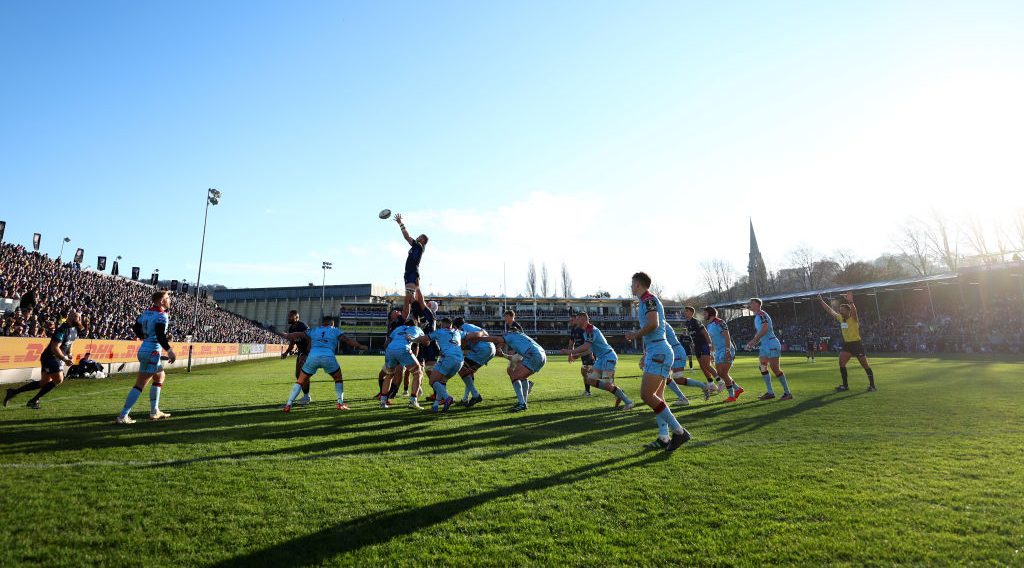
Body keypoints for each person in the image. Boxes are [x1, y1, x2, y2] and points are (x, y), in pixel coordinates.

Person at [624, 272, 691, 452]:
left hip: (659, 351)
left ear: (638, 285)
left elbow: (653, 324)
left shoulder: (649, 300)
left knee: (646, 395)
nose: (630, 287)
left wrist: (635, 335)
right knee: (657, 398)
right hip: (657, 350)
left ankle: (679, 431)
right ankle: (663, 437)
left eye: (632, 284)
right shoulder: (646, 301)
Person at [280, 316, 367, 412]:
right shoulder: (335, 330)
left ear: (323, 323)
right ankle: (340, 403)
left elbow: (299, 334)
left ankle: (288, 405)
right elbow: (347, 340)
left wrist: (287, 335)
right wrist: (360, 346)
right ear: (332, 324)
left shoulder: (315, 330)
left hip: (313, 357)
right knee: (338, 379)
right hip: (328, 357)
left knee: (300, 380)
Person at [551, 312, 634, 409]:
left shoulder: (590, 330)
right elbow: (589, 349)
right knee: (590, 380)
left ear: (584, 320)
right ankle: (617, 391)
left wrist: (570, 351)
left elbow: (586, 346)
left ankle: (628, 402)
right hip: (601, 359)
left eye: (578, 319)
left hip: (609, 358)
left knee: (607, 384)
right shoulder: (586, 331)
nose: (576, 321)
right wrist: (578, 355)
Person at [115, 293, 176, 423]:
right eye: (167, 298)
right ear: (161, 301)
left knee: (160, 376)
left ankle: (155, 411)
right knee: (140, 384)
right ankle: (123, 415)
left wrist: (144, 337)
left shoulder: (146, 313)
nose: (169, 300)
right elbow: (160, 335)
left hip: (145, 348)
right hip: (152, 351)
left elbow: (135, 327)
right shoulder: (161, 315)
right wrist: (169, 350)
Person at [4, 309, 84, 409]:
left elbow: (71, 342)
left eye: (80, 318)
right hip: (50, 357)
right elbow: (54, 347)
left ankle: (14, 392)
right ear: (70, 318)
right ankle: (33, 400)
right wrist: (64, 359)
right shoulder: (62, 329)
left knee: (43, 383)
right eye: (77, 318)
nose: (79, 320)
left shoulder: (74, 329)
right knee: (59, 379)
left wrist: (69, 353)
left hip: (57, 358)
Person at [477, 310, 545, 412]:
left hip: (532, 355)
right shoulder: (520, 334)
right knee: (522, 377)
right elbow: (503, 341)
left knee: (513, 375)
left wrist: (479, 338)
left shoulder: (511, 334)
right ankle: (523, 401)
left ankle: (522, 403)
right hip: (541, 355)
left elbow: (497, 339)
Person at [818, 292, 876, 392]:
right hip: (847, 345)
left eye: (843, 311)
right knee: (841, 363)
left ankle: (872, 386)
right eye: (840, 310)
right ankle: (845, 386)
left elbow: (855, 311)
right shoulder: (841, 318)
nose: (841, 312)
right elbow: (829, 310)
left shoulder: (853, 319)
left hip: (856, 344)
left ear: (848, 311)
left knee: (865, 365)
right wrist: (821, 301)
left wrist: (851, 301)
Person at [744, 298, 793, 401]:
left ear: (758, 304)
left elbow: (765, 328)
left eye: (751, 303)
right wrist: (754, 342)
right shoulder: (758, 316)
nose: (749, 305)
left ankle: (787, 393)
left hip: (771, 343)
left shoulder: (761, 314)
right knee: (762, 366)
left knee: (775, 369)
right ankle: (770, 392)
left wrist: (754, 340)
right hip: (765, 344)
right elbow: (761, 332)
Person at [380, 317, 426, 409]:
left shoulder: (398, 328)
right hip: (403, 349)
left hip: (390, 350)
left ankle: (383, 402)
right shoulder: (417, 328)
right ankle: (413, 400)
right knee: (418, 373)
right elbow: (426, 342)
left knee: (389, 375)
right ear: (415, 323)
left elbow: (386, 344)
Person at [664, 320, 714, 406]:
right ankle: (679, 398)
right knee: (665, 377)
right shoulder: (659, 323)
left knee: (677, 378)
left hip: (676, 351)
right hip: (670, 352)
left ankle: (702, 386)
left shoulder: (659, 323)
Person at [704, 307, 744, 402]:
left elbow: (727, 336)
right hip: (718, 351)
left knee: (723, 373)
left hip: (726, 349)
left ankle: (732, 396)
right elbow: (712, 341)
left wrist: (727, 350)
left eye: (705, 313)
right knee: (720, 374)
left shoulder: (720, 322)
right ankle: (737, 389)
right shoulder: (709, 325)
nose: (703, 315)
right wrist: (712, 353)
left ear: (711, 314)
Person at [425, 317, 465, 412]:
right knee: (442, 382)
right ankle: (435, 405)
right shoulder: (458, 331)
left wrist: (412, 339)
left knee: (433, 381)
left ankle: (447, 398)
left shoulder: (440, 331)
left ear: (442, 324)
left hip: (448, 358)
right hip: (460, 361)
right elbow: (471, 336)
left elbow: (424, 338)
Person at [395, 213, 428, 321]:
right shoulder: (417, 247)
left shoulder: (419, 246)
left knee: (409, 297)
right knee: (407, 299)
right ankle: (407, 319)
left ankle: (421, 316)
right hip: (409, 272)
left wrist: (400, 223)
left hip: (412, 272)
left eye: (420, 236)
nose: (418, 236)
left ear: (423, 240)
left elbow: (406, 237)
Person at [453, 317, 493, 407]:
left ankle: (475, 395)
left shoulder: (462, 329)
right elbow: (484, 333)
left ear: (455, 326)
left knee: (461, 368)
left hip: (482, 349)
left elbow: (473, 337)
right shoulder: (471, 326)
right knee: (469, 372)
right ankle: (465, 399)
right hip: (489, 348)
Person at [683, 306, 724, 393]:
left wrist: (710, 345)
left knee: (707, 365)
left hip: (703, 345)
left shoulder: (696, 322)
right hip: (697, 346)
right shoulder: (687, 323)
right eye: (684, 311)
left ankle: (720, 382)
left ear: (691, 312)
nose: (684, 313)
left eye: (686, 311)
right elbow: (692, 335)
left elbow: (705, 333)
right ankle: (712, 384)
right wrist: (693, 344)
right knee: (702, 366)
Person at [283, 310, 313, 406]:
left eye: (291, 316)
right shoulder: (291, 328)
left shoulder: (302, 326)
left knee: (303, 374)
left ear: (296, 318)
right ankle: (306, 396)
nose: (288, 318)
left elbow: (310, 339)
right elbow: (292, 343)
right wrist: (286, 352)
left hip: (308, 352)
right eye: (288, 316)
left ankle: (307, 397)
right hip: (301, 352)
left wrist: (307, 353)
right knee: (298, 375)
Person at [568, 313, 596, 396]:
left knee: (587, 373)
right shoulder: (573, 329)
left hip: (588, 352)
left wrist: (590, 353)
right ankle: (587, 391)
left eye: (572, 320)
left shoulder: (585, 329)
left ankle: (612, 388)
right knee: (585, 373)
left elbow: (590, 344)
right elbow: (571, 343)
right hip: (582, 353)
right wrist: (570, 354)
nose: (570, 321)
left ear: (577, 320)